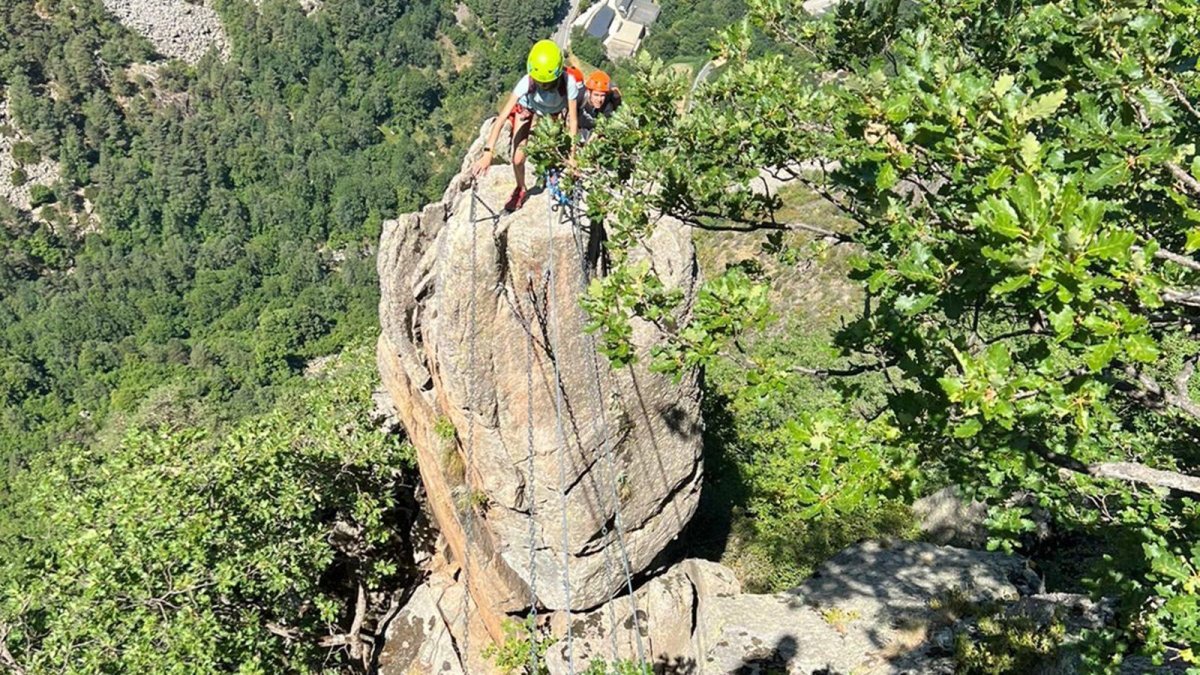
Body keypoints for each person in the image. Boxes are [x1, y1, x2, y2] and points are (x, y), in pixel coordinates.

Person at [472, 40, 581, 212]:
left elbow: (573, 121)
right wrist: (488, 154)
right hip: (527, 109)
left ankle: (555, 176)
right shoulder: (527, 82)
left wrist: (573, 156)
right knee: (517, 158)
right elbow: (501, 118)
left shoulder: (569, 83)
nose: (543, 86)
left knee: (554, 151)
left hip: (553, 114)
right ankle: (520, 188)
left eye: (547, 83)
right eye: (539, 82)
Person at [579, 70, 621, 143]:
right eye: (596, 95)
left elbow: (599, 130)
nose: (599, 99)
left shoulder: (607, 107)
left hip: (594, 132)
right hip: (579, 127)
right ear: (589, 92)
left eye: (602, 96)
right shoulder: (581, 99)